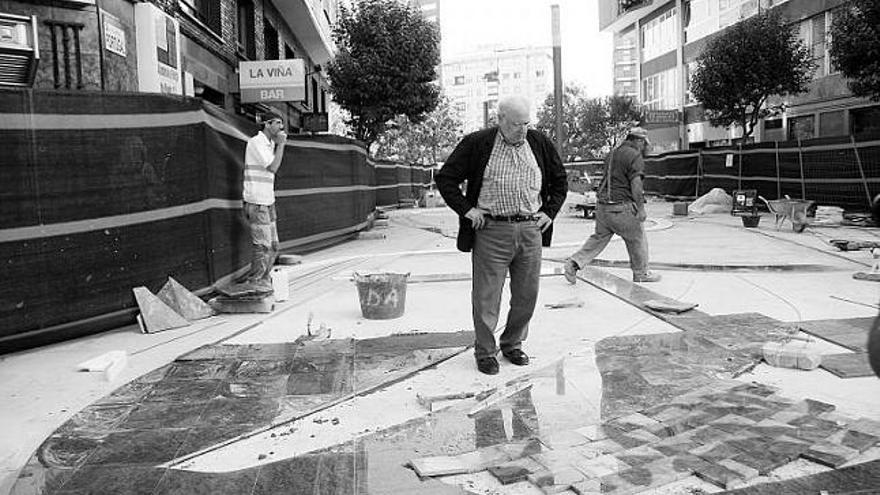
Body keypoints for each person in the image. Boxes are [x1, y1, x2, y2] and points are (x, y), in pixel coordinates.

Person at [436, 95, 568, 375]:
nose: (523, 130)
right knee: (486, 296)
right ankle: (485, 351)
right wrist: (467, 210)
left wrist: (550, 212)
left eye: (526, 123)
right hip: (491, 231)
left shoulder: (539, 142)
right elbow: (445, 178)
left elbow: (560, 181)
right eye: (517, 124)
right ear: (500, 120)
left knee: (526, 295)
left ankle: (512, 343)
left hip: (530, 230)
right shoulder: (478, 143)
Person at [563, 127, 661, 284]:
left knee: (599, 238)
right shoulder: (634, 155)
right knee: (637, 238)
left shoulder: (613, 153)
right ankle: (641, 273)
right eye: (644, 144)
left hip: (603, 207)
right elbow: (636, 185)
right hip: (620, 207)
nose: (644, 148)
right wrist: (641, 209)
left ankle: (574, 263)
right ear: (639, 141)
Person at [239, 110, 288, 293]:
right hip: (257, 202)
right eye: (277, 123)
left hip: (268, 202)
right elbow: (273, 167)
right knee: (263, 247)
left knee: (274, 246)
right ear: (267, 124)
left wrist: (277, 145)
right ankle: (255, 283)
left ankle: (263, 282)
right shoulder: (256, 143)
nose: (281, 127)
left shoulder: (268, 145)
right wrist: (281, 145)